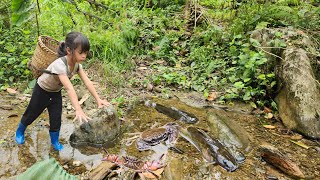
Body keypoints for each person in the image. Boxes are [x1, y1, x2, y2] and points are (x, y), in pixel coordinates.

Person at [15, 32, 110, 151]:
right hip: (42, 90)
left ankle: (54, 141)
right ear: (69, 51)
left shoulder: (77, 66)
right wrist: (78, 109)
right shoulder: (60, 65)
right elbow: (70, 88)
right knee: (32, 113)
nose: (84, 56)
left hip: (55, 93)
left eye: (85, 52)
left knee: (56, 118)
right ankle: (20, 131)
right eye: (81, 52)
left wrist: (98, 99)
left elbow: (87, 82)